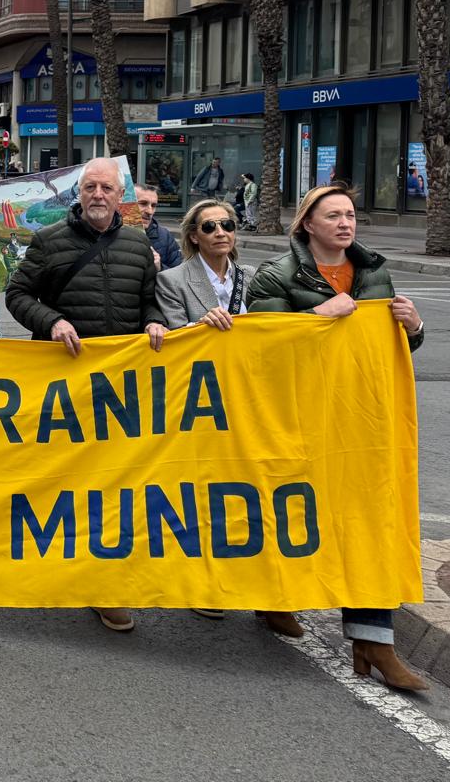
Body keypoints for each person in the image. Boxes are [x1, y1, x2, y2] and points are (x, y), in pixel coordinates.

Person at [247, 183, 429, 691]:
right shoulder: (275, 276)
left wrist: (414, 327)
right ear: (307, 224)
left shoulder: (375, 274)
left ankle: (374, 642)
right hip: (298, 420)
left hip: (361, 421)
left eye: (350, 215)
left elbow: (389, 352)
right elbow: (255, 349)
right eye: (333, 216)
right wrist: (311, 319)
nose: (345, 223)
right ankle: (274, 597)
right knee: (294, 512)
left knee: (370, 521)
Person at [5, 158, 168, 635]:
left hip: (121, 388)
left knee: (114, 485)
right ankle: (44, 564)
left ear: (122, 196)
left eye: (107, 188)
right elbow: (18, 294)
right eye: (90, 187)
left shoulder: (139, 244)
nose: (98, 194)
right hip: (63, 385)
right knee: (61, 480)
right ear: (78, 194)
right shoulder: (49, 240)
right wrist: (51, 322)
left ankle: (103, 585)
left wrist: (155, 319)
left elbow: (148, 299)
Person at [153, 199, 302, 635]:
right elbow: (176, 341)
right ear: (193, 235)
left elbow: (274, 333)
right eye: (210, 226)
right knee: (203, 496)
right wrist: (203, 328)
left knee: (253, 494)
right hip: (201, 404)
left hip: (249, 401)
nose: (221, 232)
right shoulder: (171, 280)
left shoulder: (255, 279)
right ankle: (204, 585)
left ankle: (265, 594)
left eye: (228, 225)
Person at [133, 185, 182, 270]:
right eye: (143, 204)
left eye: (154, 205)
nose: (150, 211)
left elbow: (180, 276)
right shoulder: (109, 231)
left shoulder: (165, 237)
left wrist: (160, 268)